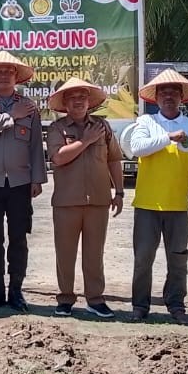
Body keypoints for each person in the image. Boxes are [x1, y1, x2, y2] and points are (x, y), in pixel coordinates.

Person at [0, 50, 47, 312]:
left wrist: (37, 178)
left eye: (9, 72)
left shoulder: (30, 107)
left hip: (20, 182)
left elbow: (36, 144)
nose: (4, 76)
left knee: (19, 238)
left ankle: (16, 290)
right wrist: (11, 115)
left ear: (16, 77)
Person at [128, 67, 188, 323]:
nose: (169, 96)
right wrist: (168, 137)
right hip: (147, 204)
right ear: (156, 98)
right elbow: (137, 148)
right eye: (164, 92)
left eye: (174, 92)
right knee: (143, 258)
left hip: (177, 205)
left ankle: (176, 304)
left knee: (178, 259)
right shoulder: (146, 122)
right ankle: (140, 305)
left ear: (181, 98)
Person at [46, 77, 125, 318]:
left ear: (89, 101)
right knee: (65, 253)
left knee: (94, 253)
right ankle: (65, 298)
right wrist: (86, 140)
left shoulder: (103, 127)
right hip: (66, 202)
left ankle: (95, 299)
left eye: (82, 97)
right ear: (65, 102)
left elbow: (113, 160)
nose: (78, 101)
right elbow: (58, 157)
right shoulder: (57, 129)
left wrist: (119, 191)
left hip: (99, 201)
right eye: (73, 97)